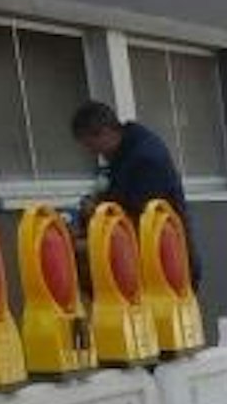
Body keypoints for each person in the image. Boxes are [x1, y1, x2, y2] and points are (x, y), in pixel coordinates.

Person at [70, 100, 199, 283]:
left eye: (91, 146)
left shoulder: (144, 159)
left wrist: (94, 219)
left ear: (105, 133)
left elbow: (142, 220)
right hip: (149, 259)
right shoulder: (123, 152)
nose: (93, 153)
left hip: (165, 267)